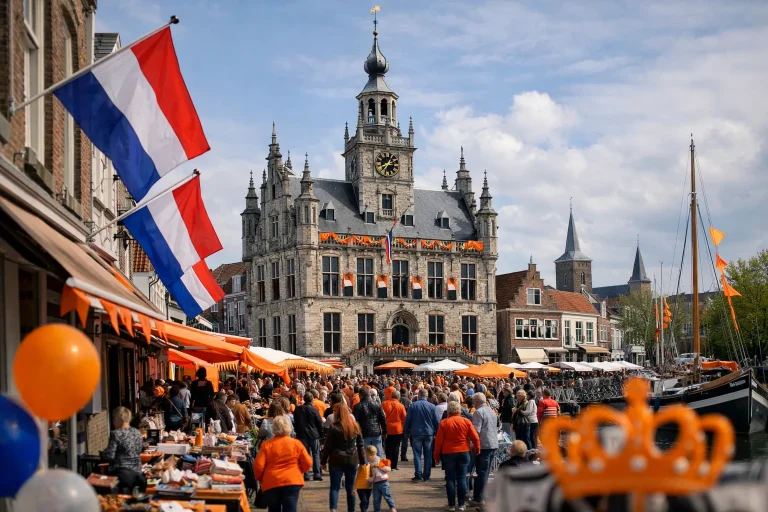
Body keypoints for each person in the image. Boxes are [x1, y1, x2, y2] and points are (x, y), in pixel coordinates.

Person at [253, 416, 312, 512]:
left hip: (272, 480)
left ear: (273, 428)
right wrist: (299, 470)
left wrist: (261, 479)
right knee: (290, 508)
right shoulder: (296, 443)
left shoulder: (267, 445)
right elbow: (308, 462)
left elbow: (258, 465)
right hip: (292, 480)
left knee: (274, 509)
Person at [433, 401, 480, 511]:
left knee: (450, 479)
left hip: (448, 452)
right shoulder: (466, 421)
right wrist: (477, 448)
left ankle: (452, 505)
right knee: (461, 478)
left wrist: (436, 456)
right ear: (459, 409)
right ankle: (462, 504)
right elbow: (475, 437)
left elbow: (438, 441)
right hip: (463, 451)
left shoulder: (444, 423)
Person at [321, 403, 365, 512]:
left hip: (337, 458)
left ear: (338, 413)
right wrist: (363, 461)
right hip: (352, 458)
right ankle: (351, 510)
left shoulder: (334, 427)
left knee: (335, 487)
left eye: (335, 411)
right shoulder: (355, 425)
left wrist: (323, 461)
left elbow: (328, 446)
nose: (334, 413)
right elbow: (360, 445)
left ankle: (333, 508)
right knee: (351, 487)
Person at [102, 407, 146, 494]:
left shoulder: (116, 434)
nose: (113, 422)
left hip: (121, 477)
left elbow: (110, 456)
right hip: (138, 475)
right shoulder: (137, 433)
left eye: (113, 419)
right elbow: (140, 450)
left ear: (117, 419)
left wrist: (104, 453)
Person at [403, 388, 440, 482]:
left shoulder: (413, 405)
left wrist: (406, 431)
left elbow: (408, 420)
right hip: (429, 433)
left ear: (418, 395)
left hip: (416, 433)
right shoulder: (432, 406)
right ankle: (426, 475)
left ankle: (418, 474)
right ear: (427, 396)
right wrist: (437, 431)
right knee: (428, 454)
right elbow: (436, 421)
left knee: (417, 454)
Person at [470, 393, 499, 506]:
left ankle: (478, 498)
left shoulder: (478, 412)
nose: (473, 403)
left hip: (484, 445)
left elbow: (476, 431)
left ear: (477, 401)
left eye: (474, 401)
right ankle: (482, 496)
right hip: (492, 443)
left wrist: (471, 444)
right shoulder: (491, 411)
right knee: (485, 472)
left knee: (481, 472)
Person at [294, 391, 324, 481]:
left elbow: (295, 422)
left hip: (302, 434)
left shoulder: (298, 409)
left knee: (305, 455)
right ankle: (317, 473)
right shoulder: (314, 410)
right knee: (316, 454)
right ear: (312, 400)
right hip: (313, 435)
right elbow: (319, 423)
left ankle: (306, 474)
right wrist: (321, 434)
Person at [353, 388, 387, 461]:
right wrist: (385, 430)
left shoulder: (358, 406)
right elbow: (382, 418)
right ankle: (377, 466)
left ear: (360, 395)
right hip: (376, 432)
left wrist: (356, 433)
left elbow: (355, 421)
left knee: (366, 454)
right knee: (378, 453)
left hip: (364, 433)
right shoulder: (377, 404)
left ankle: (367, 467)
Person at [365, 445, 397, 512]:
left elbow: (388, 469)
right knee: (376, 499)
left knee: (387, 496)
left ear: (371, 455)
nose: (366, 458)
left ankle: (392, 508)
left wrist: (380, 466)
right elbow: (371, 476)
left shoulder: (380, 461)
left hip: (384, 482)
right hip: (376, 484)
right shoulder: (370, 465)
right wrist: (369, 482)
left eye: (367, 456)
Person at [381, 390, 406, 471]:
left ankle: (388, 463)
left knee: (387, 447)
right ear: (398, 397)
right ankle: (394, 466)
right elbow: (404, 418)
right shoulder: (401, 406)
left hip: (387, 428)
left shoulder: (384, 404)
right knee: (396, 447)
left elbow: (381, 416)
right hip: (397, 429)